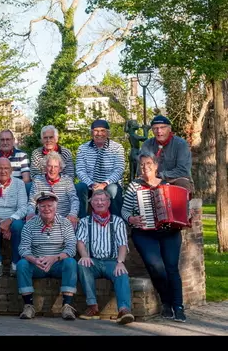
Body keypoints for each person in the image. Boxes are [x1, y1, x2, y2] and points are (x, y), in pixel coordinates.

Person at [122, 152, 187, 323]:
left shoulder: (167, 186)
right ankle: (166, 302)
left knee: (172, 268)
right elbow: (125, 210)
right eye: (142, 164)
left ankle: (178, 306)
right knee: (155, 266)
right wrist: (131, 218)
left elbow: (180, 208)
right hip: (144, 232)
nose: (145, 167)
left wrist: (189, 215)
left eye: (149, 163)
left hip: (169, 231)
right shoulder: (134, 187)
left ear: (156, 166)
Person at [16, 192, 78, 321]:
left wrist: (55, 258)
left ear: (55, 207)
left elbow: (71, 248)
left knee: (71, 262)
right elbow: (23, 249)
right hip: (37, 263)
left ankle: (67, 306)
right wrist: (34, 259)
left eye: (49, 205)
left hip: (57, 264)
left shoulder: (65, 223)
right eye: (43, 206)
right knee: (22, 264)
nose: (46, 209)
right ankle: (28, 305)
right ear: (38, 207)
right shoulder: (30, 224)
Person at [76, 190, 134, 325]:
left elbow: (122, 244)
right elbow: (80, 242)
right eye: (96, 200)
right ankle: (93, 307)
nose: (99, 203)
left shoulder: (117, 221)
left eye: (103, 200)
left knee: (121, 273)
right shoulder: (85, 221)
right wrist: (84, 256)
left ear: (108, 203)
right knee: (82, 265)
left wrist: (120, 262)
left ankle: (124, 310)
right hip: (94, 261)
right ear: (91, 203)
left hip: (111, 261)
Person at [75, 119, 126, 217]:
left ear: (108, 133)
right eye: (96, 131)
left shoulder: (117, 148)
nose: (99, 134)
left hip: (109, 183)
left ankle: (117, 222)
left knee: (113, 189)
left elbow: (119, 169)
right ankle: (83, 221)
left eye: (102, 131)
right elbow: (80, 170)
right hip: (90, 184)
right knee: (80, 187)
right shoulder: (83, 148)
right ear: (91, 133)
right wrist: (91, 184)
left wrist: (104, 183)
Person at [140, 115, 193, 192]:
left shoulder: (181, 144)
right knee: (137, 184)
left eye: (162, 127)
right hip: (152, 179)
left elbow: (183, 170)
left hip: (176, 179)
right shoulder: (147, 144)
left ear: (169, 129)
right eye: (155, 128)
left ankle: (181, 204)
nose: (159, 131)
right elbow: (141, 166)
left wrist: (160, 175)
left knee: (182, 183)